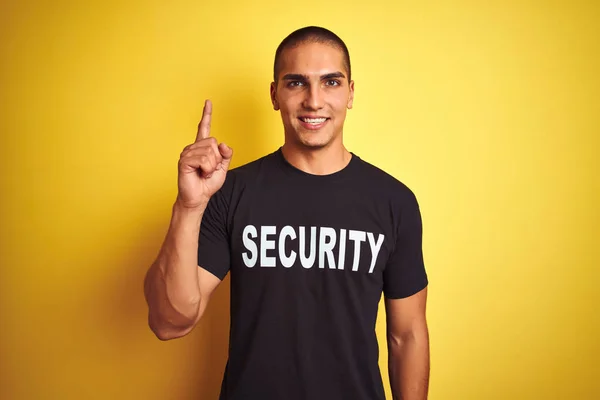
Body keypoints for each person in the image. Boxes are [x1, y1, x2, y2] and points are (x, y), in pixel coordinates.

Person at [144, 26, 430, 400]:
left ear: (351, 93)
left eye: (330, 82)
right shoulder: (229, 192)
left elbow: (406, 336)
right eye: (297, 83)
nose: (314, 101)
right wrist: (189, 206)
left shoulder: (395, 202)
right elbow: (169, 322)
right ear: (275, 94)